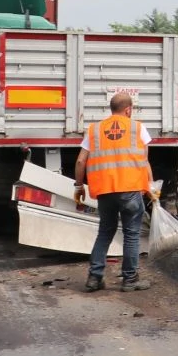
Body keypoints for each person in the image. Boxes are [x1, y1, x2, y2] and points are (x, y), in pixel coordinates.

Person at [73, 92, 154, 292]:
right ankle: (130, 279)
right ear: (128, 110)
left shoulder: (94, 130)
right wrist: (151, 188)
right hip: (130, 190)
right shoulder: (137, 128)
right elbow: (144, 162)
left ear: (111, 108)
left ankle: (94, 277)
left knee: (105, 232)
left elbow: (81, 160)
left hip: (105, 191)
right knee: (131, 234)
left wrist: (78, 186)